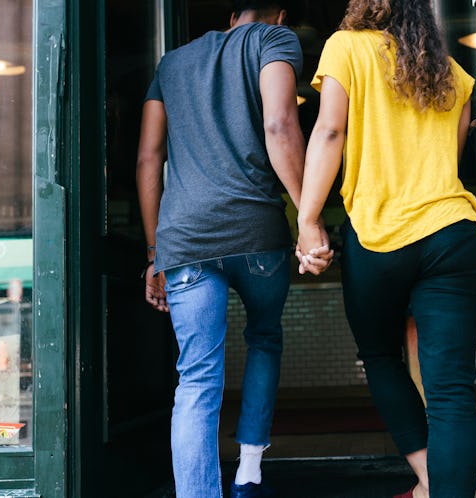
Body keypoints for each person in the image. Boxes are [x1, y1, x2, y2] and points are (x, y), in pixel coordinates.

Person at [135, 1, 330, 497]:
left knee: (197, 378)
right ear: (281, 15)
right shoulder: (273, 40)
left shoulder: (172, 63)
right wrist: (308, 219)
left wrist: (156, 252)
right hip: (256, 233)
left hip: (187, 240)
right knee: (264, 337)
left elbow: (147, 158)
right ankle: (248, 472)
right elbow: (280, 126)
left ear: (230, 16)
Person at [295, 1, 476, 497]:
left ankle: (425, 477)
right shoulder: (449, 72)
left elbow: (330, 131)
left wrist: (308, 218)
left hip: (379, 237)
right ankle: (436, 489)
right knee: (450, 394)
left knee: (380, 356)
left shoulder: (345, 48)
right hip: (451, 231)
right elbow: (455, 150)